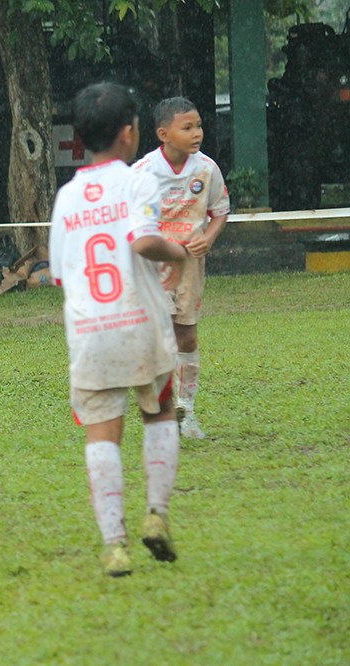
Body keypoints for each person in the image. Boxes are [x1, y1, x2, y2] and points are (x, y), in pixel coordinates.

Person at [49, 83, 188, 577]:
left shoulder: (66, 197)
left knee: (102, 434)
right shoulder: (138, 180)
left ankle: (114, 545)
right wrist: (179, 252)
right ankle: (157, 514)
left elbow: (60, 274)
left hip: (89, 329)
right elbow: (145, 240)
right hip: (139, 321)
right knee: (160, 410)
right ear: (130, 133)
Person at [132, 97, 231, 440]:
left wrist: (210, 237)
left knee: (186, 335)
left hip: (190, 265)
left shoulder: (206, 169)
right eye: (186, 127)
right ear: (164, 134)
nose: (196, 133)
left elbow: (220, 210)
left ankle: (187, 411)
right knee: (155, 337)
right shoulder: (144, 172)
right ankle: (160, 412)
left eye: (199, 126)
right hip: (152, 264)